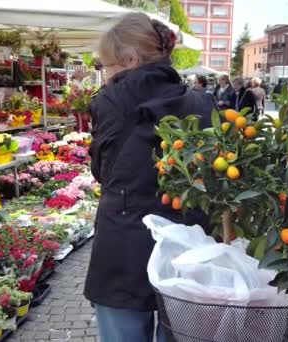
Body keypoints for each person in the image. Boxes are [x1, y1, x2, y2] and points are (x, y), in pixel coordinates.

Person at [85, 13, 212, 342]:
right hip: (187, 242)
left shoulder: (110, 101)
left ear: (129, 59)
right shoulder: (201, 103)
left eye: (105, 65)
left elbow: (104, 171)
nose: (105, 73)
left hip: (123, 243)